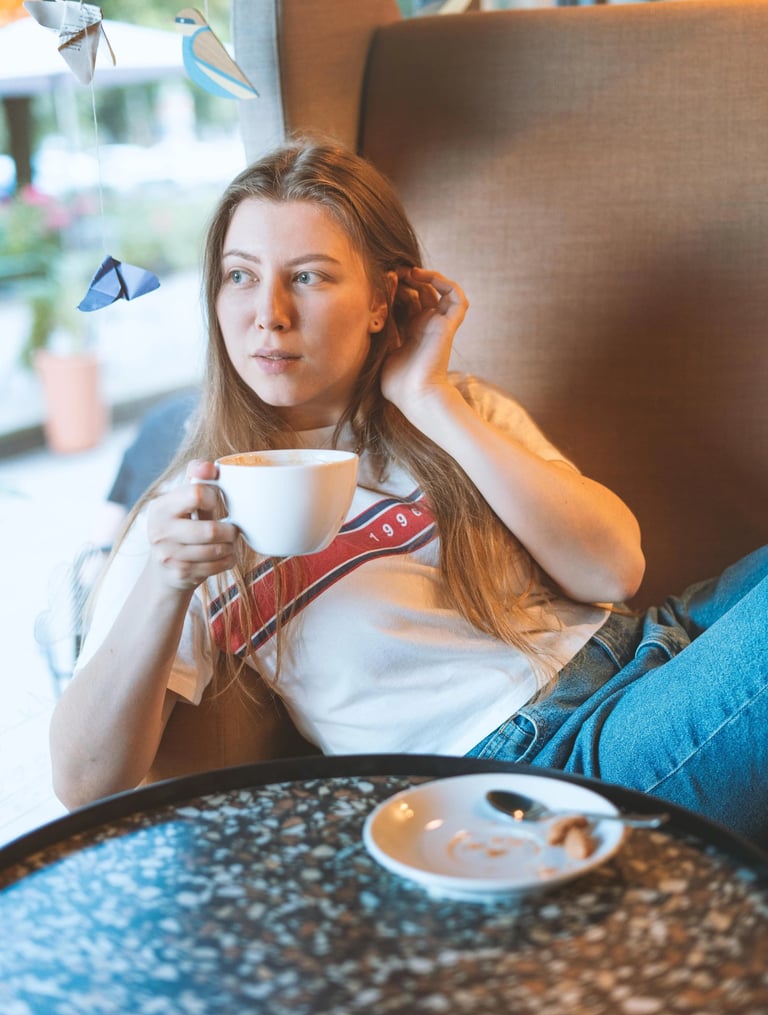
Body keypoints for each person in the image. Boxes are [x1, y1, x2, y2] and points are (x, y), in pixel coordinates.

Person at [50, 138, 767, 846]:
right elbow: (84, 781)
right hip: (539, 770)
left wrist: (428, 397)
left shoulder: (458, 410)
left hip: (651, 645)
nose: (268, 313)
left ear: (380, 300)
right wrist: (166, 580)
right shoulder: (196, 511)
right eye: (240, 275)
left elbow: (613, 571)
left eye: (309, 276)